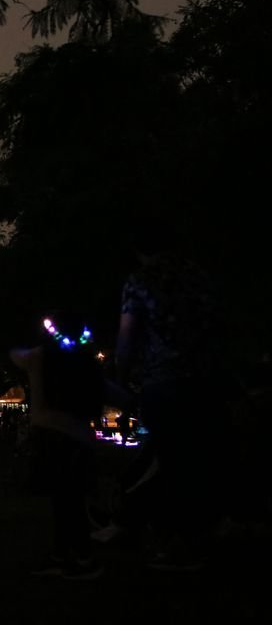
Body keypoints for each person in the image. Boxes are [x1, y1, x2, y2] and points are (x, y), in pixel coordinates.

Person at [97, 218, 227, 570]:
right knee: (200, 458)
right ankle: (201, 533)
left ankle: (173, 540)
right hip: (209, 378)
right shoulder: (201, 278)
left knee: (169, 460)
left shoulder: (141, 282)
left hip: (165, 381)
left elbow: (128, 336)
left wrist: (121, 378)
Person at [11, 310, 106, 581]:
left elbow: (15, 353)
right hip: (80, 439)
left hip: (51, 436)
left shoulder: (38, 356)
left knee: (63, 501)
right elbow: (107, 389)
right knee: (72, 499)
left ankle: (80, 559)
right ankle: (68, 555)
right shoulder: (86, 361)